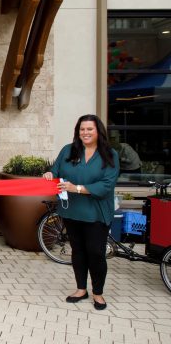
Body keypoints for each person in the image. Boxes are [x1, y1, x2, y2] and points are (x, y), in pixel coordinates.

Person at [43, 114, 119, 310]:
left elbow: (106, 185)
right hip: (72, 211)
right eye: (82, 129)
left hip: (96, 212)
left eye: (89, 129)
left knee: (95, 253)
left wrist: (76, 188)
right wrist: (50, 174)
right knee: (77, 251)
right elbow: (56, 171)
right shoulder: (69, 151)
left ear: (98, 131)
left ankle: (98, 293)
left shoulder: (110, 154)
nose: (85, 133)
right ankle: (81, 289)